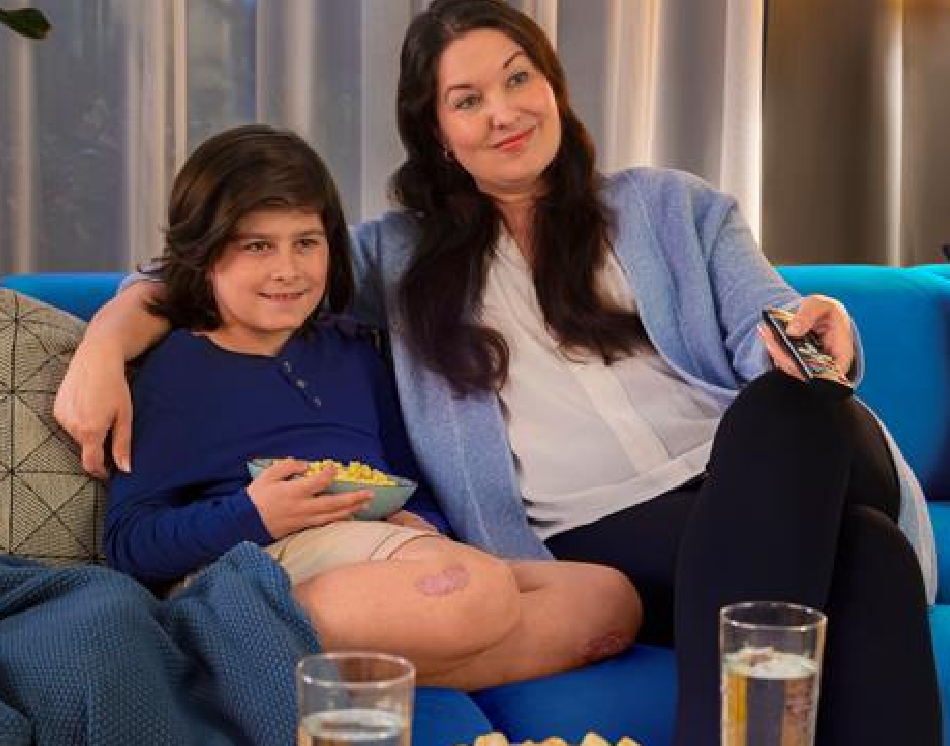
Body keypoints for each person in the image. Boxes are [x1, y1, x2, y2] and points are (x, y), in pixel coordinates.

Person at [55, 0, 941, 746]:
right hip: (606, 531)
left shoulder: (677, 207)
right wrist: (104, 342)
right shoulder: (392, 260)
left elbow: (772, 323)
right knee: (868, 557)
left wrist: (821, 326)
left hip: (759, 469)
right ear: (436, 132)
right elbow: (212, 268)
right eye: (467, 100)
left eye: (519, 80)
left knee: (791, 406)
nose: (505, 112)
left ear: (553, 84)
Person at [100, 123, 642, 693]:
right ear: (205, 255)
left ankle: (306, 669)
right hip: (258, 563)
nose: (287, 269)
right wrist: (254, 514)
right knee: (474, 589)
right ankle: (238, 639)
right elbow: (130, 543)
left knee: (606, 599)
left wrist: (420, 522)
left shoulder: (356, 351)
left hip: (384, 559)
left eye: (305, 242)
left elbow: (412, 478)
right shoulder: (176, 369)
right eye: (257, 245)